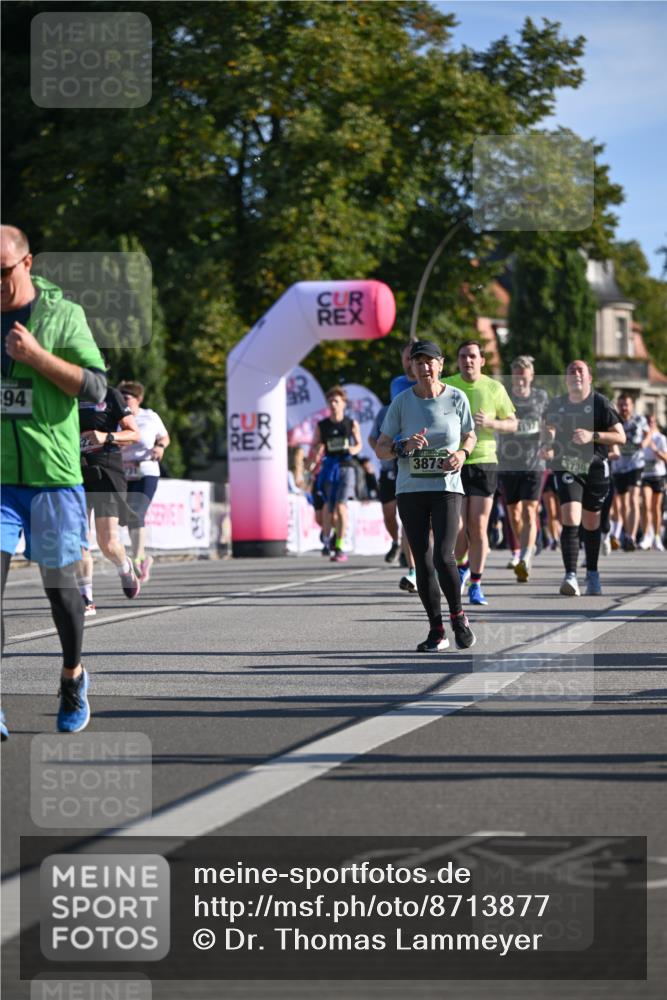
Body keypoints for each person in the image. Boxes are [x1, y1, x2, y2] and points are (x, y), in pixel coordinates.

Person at [1, 224, 107, 737]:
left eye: (1, 271)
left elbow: (96, 387)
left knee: (62, 593)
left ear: (27, 264)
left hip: (53, 477)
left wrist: (37, 357)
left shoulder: (63, 315)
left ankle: (72, 676)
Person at [374, 339, 477, 652]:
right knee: (421, 560)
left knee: (444, 556)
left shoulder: (457, 397)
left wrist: (462, 453)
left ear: (441, 365)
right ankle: (436, 630)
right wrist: (402, 447)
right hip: (411, 490)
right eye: (418, 362)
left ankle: (458, 617)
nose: (424, 367)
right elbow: (381, 448)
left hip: (446, 487)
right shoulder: (402, 402)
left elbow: (470, 435)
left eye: (429, 361)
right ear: (412, 367)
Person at [443, 340, 517, 605]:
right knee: (458, 527)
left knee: (478, 525)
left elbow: (513, 423)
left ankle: (476, 583)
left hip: (484, 461)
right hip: (455, 461)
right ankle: (462, 565)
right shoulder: (447, 386)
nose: (468, 361)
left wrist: (492, 422)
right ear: (458, 360)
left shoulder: (494, 388)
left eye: (473, 356)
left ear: (482, 360)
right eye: (463, 356)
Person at [542, 360, 625, 596]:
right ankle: (570, 576)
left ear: (589, 378)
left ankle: (592, 572)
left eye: (581, 370)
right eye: (571, 371)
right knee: (570, 517)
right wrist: (548, 443)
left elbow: (620, 437)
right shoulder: (557, 404)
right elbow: (548, 428)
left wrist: (592, 435)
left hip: (596, 468)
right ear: (566, 378)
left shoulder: (600, 403)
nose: (576, 373)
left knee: (591, 522)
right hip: (567, 466)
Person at [75, 385, 140, 615]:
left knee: (108, 543)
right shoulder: (65, 392)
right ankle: (86, 598)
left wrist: (106, 436)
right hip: (74, 471)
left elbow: (134, 433)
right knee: (78, 539)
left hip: (106, 471)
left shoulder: (110, 394)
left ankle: (124, 566)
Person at [497, 356, 550, 582]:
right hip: (507, 462)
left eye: (524, 374)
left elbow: (549, 424)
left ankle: (526, 558)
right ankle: (524, 546)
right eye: (516, 374)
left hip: (534, 462)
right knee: (514, 514)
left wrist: (549, 443)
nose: (520, 378)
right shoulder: (503, 396)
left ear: (532, 376)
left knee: (529, 511)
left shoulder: (541, 397)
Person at [117, 381, 170, 583]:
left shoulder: (150, 416)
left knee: (137, 512)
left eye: (127, 397)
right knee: (126, 517)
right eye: (120, 397)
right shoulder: (116, 416)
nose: (123, 401)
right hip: (122, 471)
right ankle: (144, 558)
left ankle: (137, 559)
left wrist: (160, 447)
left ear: (138, 399)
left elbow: (164, 437)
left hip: (146, 470)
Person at [306, 385, 362, 563]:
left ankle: (339, 545)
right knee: (328, 506)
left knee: (341, 506)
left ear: (343, 403)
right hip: (329, 467)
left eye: (336, 401)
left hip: (346, 466)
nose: (333, 404)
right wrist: (316, 451)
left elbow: (359, 444)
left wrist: (352, 449)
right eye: (330, 401)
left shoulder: (351, 423)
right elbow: (315, 444)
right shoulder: (322, 425)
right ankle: (327, 539)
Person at [608, 394, 649, 551]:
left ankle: (631, 537)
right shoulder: (614, 421)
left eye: (626, 404)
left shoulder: (639, 419)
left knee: (633, 499)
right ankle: (626, 535)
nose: (624, 408)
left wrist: (645, 442)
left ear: (632, 405)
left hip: (635, 464)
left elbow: (649, 432)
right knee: (623, 504)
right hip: (619, 466)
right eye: (621, 405)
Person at [639, 414, 667, 550]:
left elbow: (665, 458)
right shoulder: (641, 437)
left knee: (656, 507)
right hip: (645, 476)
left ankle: (656, 537)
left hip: (658, 475)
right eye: (648, 422)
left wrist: (655, 449)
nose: (650, 424)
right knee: (646, 504)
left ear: (656, 423)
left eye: (652, 422)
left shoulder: (661, 438)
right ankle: (646, 536)